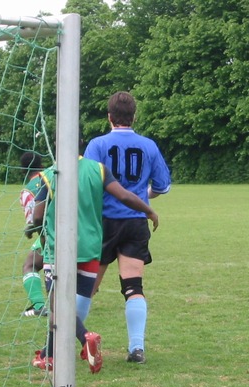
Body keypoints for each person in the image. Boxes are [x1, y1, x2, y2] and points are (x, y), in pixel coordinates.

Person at [31, 156, 159, 373]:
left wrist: (36, 231)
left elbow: (37, 216)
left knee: (57, 305)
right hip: (91, 250)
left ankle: (84, 337)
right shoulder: (98, 170)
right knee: (70, 304)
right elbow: (124, 195)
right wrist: (148, 210)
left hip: (59, 249)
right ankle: (48, 355)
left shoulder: (48, 175)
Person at [84, 91, 171, 364]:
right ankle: (136, 348)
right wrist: (140, 197)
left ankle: (69, 341)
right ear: (134, 117)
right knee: (133, 286)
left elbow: (87, 184)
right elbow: (162, 187)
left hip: (102, 223)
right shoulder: (148, 145)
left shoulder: (97, 144)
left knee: (87, 287)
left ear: (109, 117)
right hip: (135, 222)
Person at [18, 151, 49, 317]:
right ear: (42, 165)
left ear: (23, 170)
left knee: (29, 265)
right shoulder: (55, 177)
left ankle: (38, 305)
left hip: (51, 233)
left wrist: (29, 230)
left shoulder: (26, 191)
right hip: (80, 228)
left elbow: (35, 220)